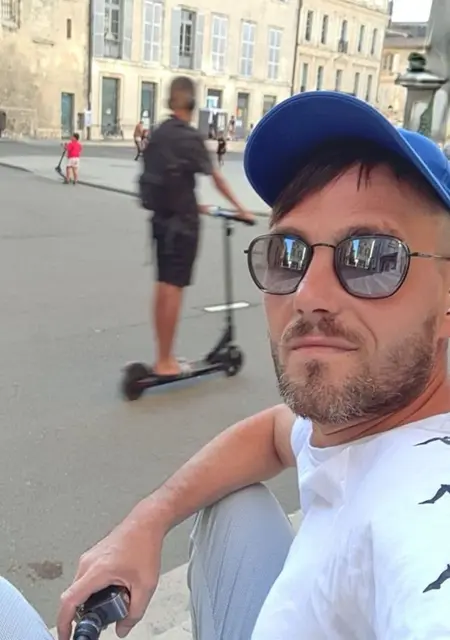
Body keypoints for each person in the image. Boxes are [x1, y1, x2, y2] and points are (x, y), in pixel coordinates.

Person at [57, 90, 450, 640]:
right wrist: (149, 518)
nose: (308, 295)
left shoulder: (424, 520)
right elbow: (274, 433)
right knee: (231, 504)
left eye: (371, 256)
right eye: (287, 252)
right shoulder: (361, 420)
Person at [139, 76, 253, 378]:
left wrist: (194, 203)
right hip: (183, 226)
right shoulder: (189, 138)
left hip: (160, 221)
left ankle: (162, 355)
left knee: (163, 285)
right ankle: (165, 362)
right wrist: (242, 209)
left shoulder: (159, 133)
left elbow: (169, 180)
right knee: (174, 289)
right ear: (191, 103)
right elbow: (216, 178)